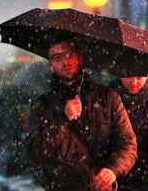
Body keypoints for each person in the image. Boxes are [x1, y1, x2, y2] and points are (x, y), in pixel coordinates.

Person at [25, 37, 137, 191]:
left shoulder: (108, 98)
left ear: (80, 58)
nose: (65, 61)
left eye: (70, 54)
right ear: (50, 65)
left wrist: (112, 170)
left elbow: (128, 144)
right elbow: (35, 153)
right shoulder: (42, 105)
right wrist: (63, 120)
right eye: (57, 58)